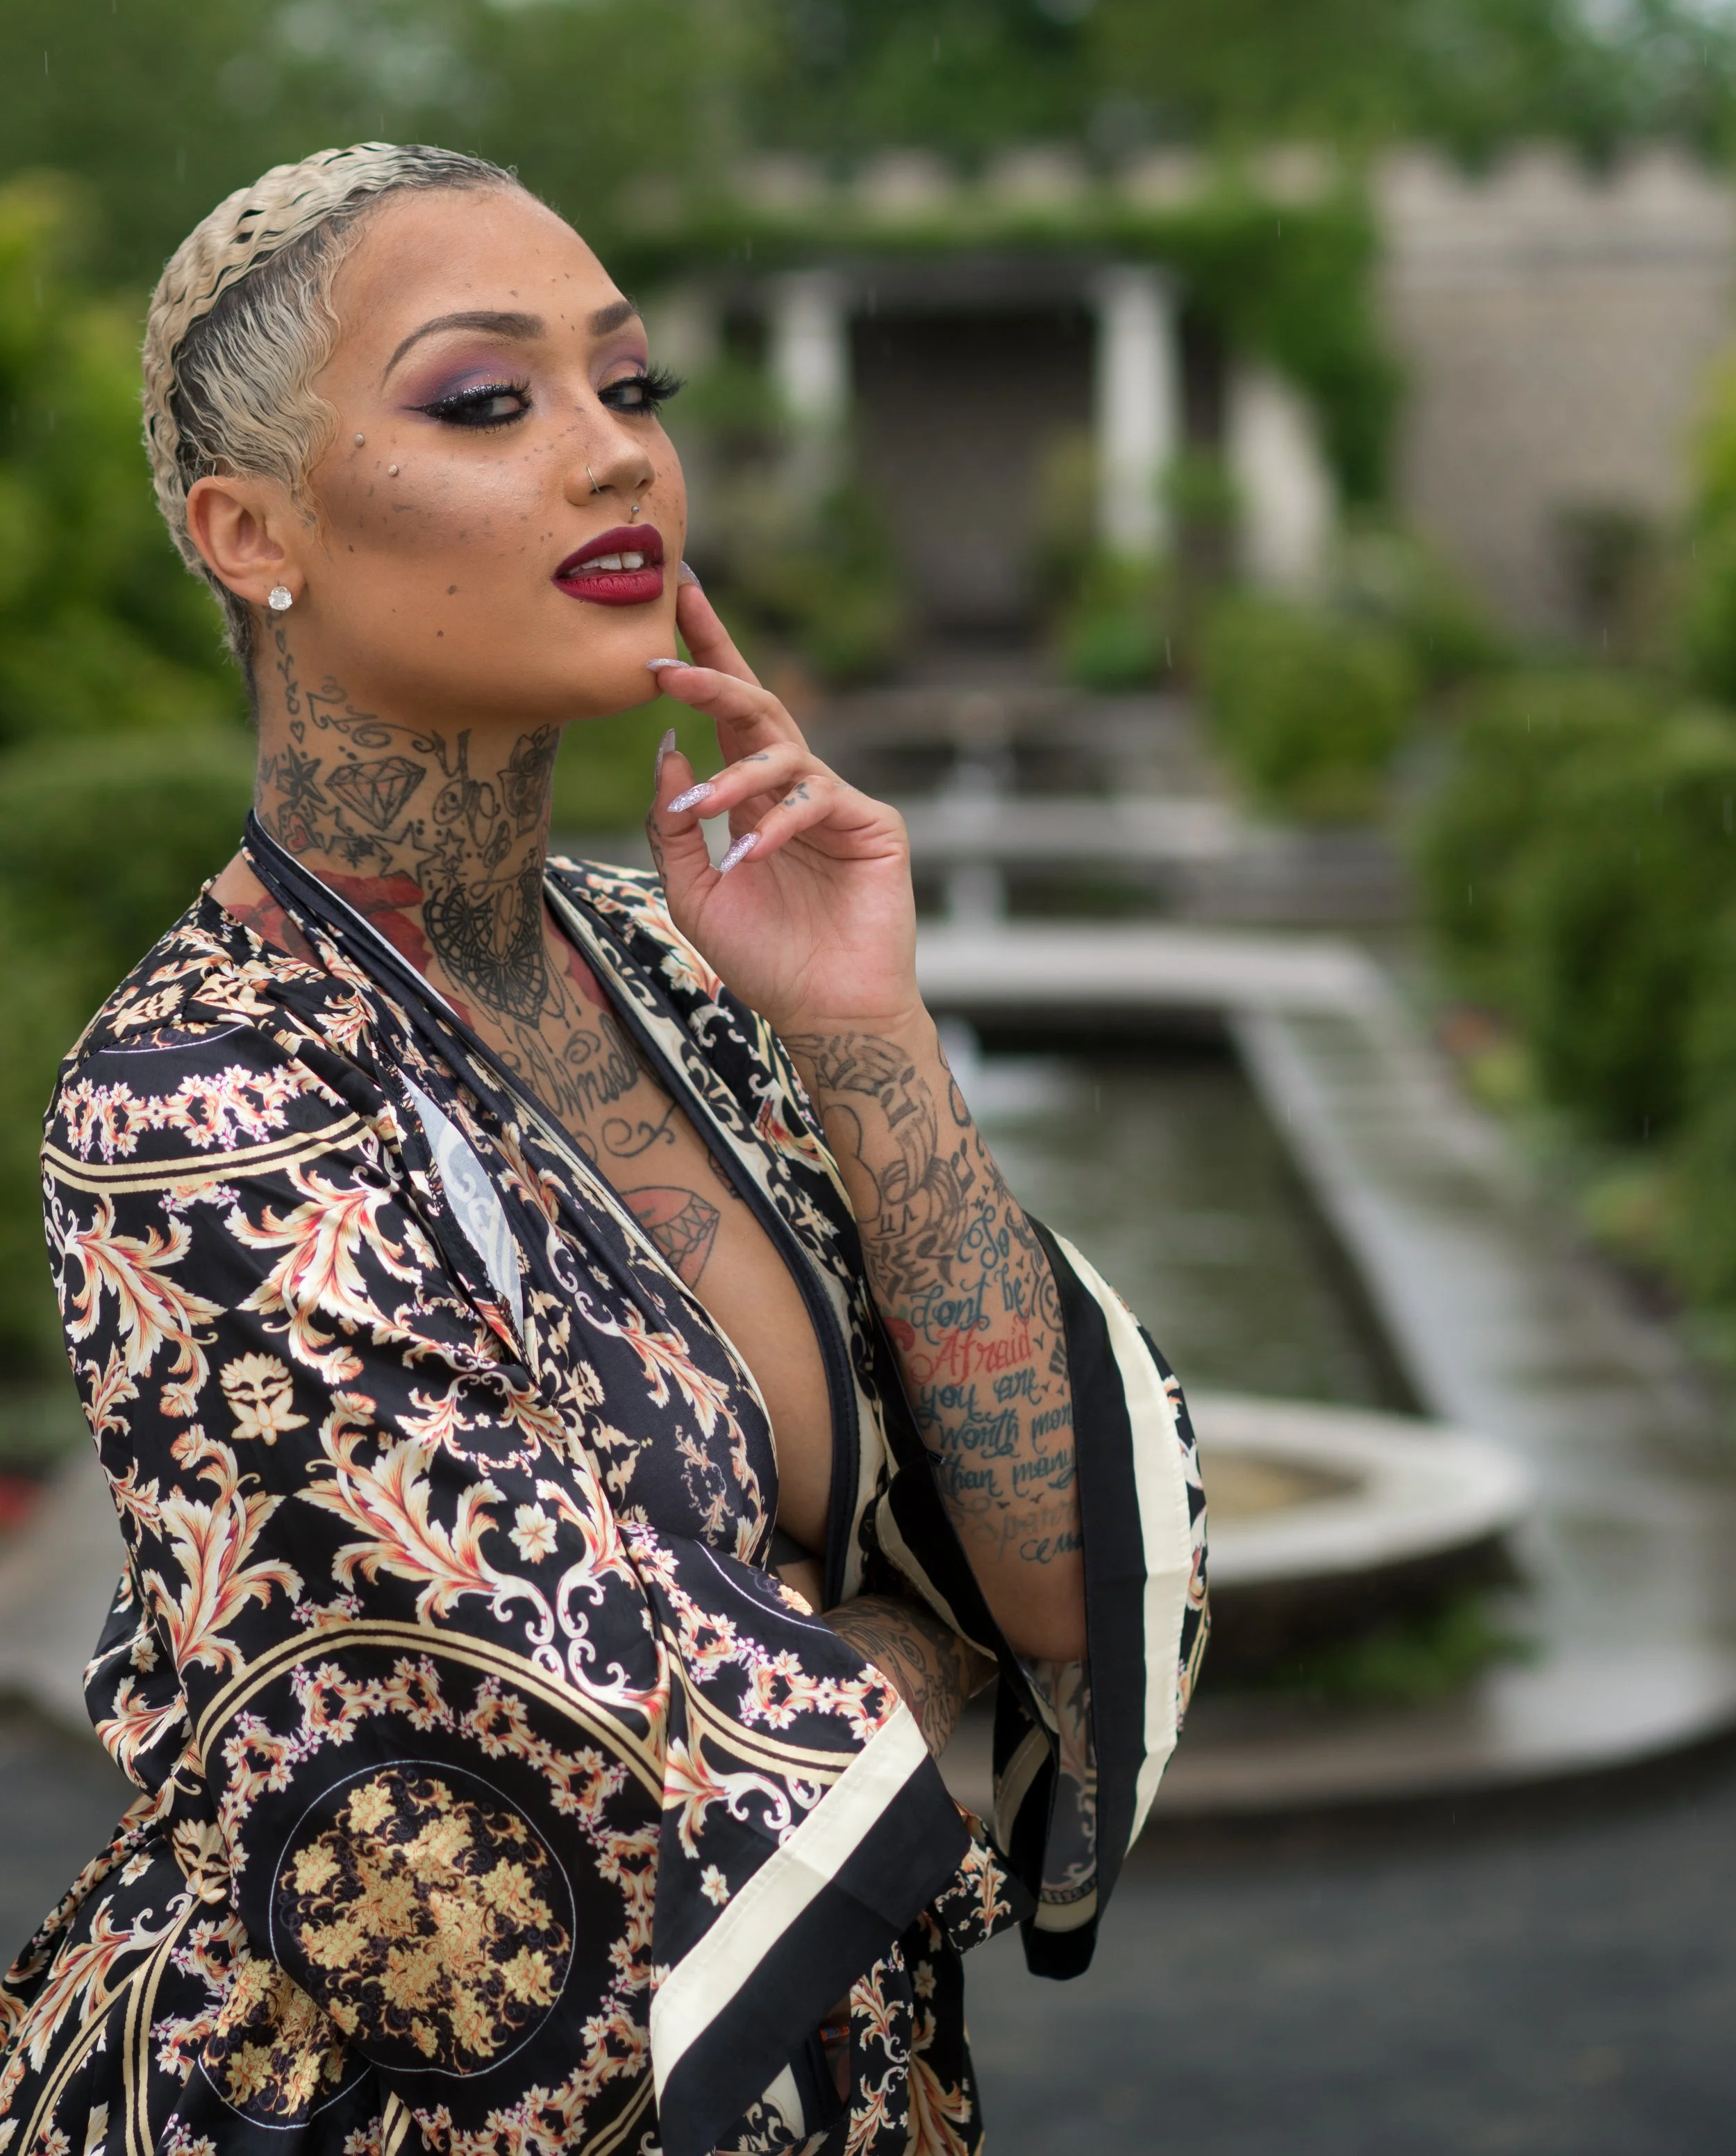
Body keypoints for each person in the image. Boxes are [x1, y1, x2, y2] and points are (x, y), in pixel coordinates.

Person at [0, 143, 1207, 2156]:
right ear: (249, 528)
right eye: (488, 399)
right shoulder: (193, 1100)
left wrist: (859, 1023)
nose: (613, 457)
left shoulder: (679, 957)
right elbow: (506, 1847)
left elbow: (1069, 1572)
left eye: (628, 390)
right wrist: (917, 1647)